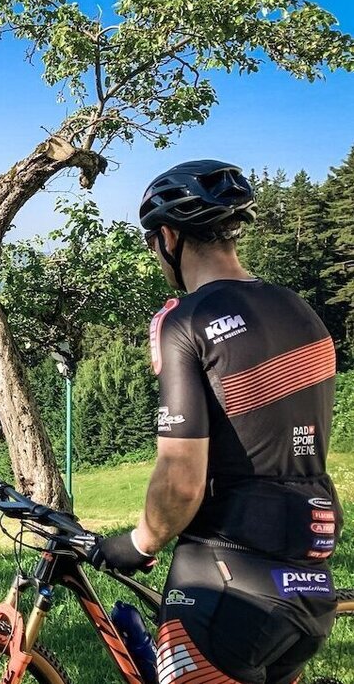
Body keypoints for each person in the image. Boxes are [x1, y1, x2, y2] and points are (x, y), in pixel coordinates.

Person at [90, 160, 343, 684]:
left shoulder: (184, 320)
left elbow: (182, 478)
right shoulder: (302, 311)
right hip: (310, 573)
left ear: (167, 237)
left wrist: (138, 544)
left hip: (225, 580)